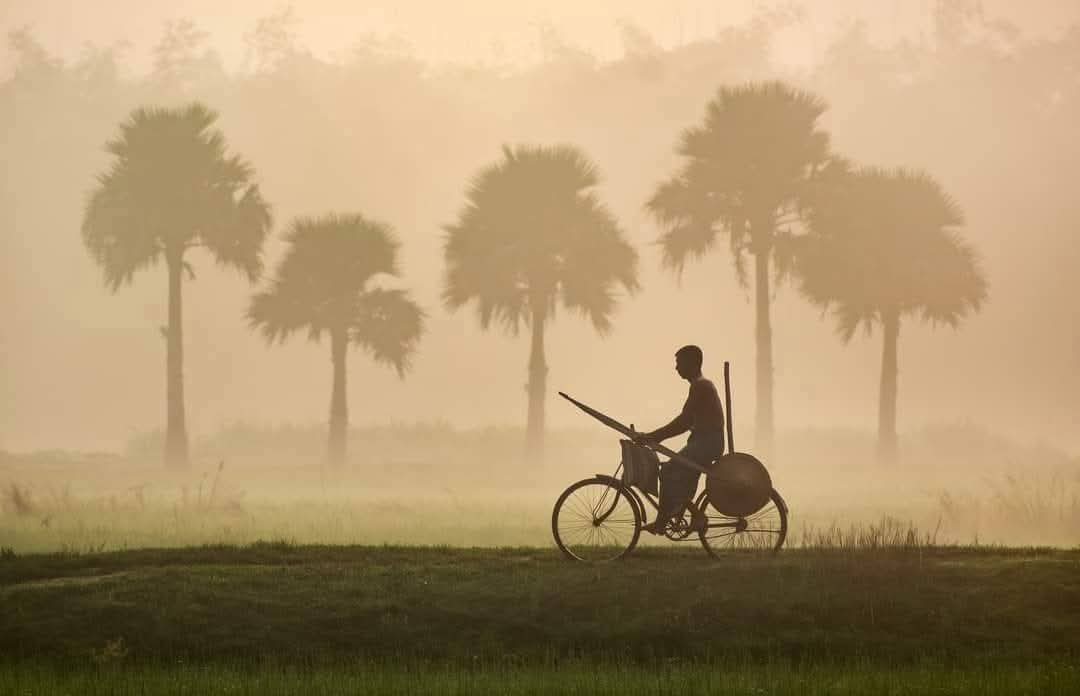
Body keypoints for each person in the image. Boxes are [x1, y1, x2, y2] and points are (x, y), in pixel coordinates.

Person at [635, 345, 725, 535]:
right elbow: (685, 423)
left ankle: (681, 519)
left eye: (679, 363)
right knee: (676, 475)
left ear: (692, 364)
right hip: (702, 443)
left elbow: (682, 422)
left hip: (706, 444)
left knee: (667, 471)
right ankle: (667, 519)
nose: (676, 368)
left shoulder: (700, 386)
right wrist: (655, 437)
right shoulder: (700, 385)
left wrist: (653, 437)